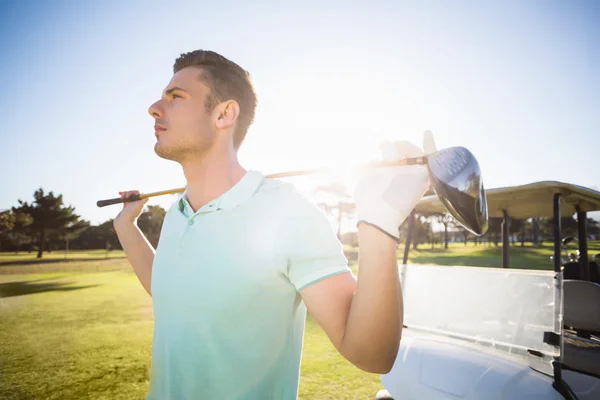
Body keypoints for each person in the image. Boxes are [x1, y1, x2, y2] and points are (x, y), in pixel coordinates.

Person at [114, 49, 435, 400]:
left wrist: (379, 219)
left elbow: (371, 354)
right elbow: (170, 290)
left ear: (224, 114)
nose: (154, 108)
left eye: (175, 97)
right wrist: (127, 226)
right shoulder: (177, 213)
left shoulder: (286, 210)